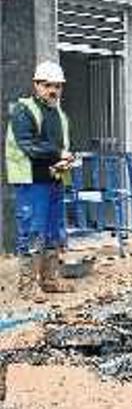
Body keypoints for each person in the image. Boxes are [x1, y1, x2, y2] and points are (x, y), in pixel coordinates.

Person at [5, 61, 75, 300]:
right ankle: (27, 287)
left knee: (52, 231)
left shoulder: (59, 114)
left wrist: (65, 160)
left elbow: (60, 146)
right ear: (36, 85)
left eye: (57, 86)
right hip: (32, 182)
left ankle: (49, 279)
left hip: (54, 179)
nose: (53, 91)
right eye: (47, 85)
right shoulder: (24, 110)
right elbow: (29, 145)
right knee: (32, 230)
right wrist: (58, 154)